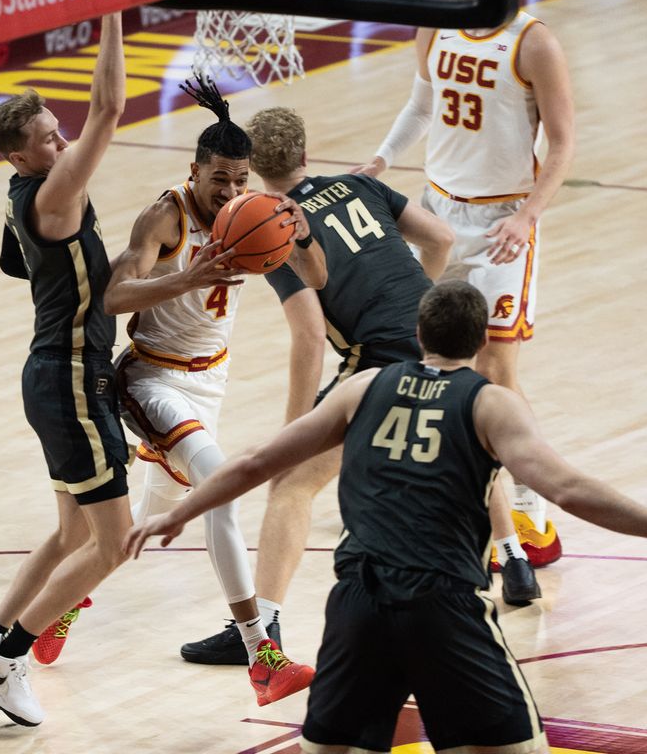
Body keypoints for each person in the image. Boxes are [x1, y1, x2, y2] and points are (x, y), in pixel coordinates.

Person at [126, 279, 647, 754]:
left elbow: (257, 462)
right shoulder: (491, 404)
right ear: (482, 341)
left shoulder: (362, 386)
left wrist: (181, 510)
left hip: (358, 604)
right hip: (442, 605)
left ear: (420, 333)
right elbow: (568, 490)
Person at [179, 105, 462, 666]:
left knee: (290, 484)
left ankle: (261, 631)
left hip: (378, 365)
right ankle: (513, 558)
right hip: (438, 347)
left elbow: (309, 338)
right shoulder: (360, 184)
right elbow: (442, 239)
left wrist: (294, 430)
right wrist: (412, 296)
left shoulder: (274, 226)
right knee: (466, 452)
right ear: (307, 153)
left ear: (253, 167)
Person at [103, 75, 326, 706]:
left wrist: (300, 231)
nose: (230, 191)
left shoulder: (254, 214)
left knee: (138, 522)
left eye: (241, 180)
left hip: (210, 380)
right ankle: (262, 654)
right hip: (149, 375)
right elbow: (115, 296)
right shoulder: (166, 216)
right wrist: (185, 278)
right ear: (195, 169)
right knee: (222, 490)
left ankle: (59, 607)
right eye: (219, 178)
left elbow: (317, 275)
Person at [353, 0, 575, 578]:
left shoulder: (535, 43)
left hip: (504, 223)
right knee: (433, 361)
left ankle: (533, 512)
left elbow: (561, 143)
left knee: (496, 371)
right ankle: (463, 500)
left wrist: (527, 217)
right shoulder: (438, 23)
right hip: (439, 217)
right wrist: (381, 159)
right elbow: (421, 105)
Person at [0, 13, 131, 728]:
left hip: (54, 375)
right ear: (20, 159)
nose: (63, 141)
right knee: (113, 543)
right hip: (73, 377)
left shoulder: (25, 193)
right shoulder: (53, 195)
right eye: (49, 139)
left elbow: (10, 261)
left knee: (72, 536)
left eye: (58, 130)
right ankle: (5, 658)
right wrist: (115, 6)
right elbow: (110, 107)